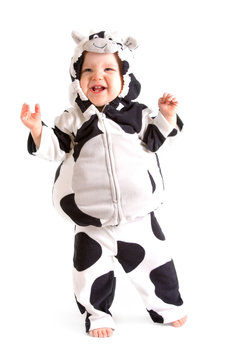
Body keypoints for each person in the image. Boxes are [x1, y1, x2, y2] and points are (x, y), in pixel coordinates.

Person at [20, 30, 187, 338]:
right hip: (90, 218)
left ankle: (167, 306)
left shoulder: (137, 114)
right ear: (77, 79)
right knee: (88, 272)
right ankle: (96, 315)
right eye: (88, 70)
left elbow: (156, 139)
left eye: (109, 68)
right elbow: (55, 148)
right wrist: (37, 131)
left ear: (124, 77)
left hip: (138, 216)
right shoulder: (73, 119)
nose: (98, 75)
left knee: (157, 263)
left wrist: (166, 115)